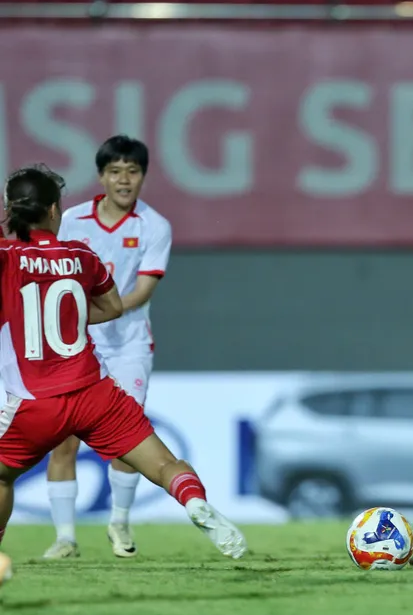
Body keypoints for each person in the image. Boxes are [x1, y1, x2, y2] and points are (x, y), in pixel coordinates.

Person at [0, 165, 245, 590]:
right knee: (165, 464)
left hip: (33, 400)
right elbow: (113, 308)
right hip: (94, 391)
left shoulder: (5, 257)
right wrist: (71, 319)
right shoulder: (82, 256)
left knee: (1, 476)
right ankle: (195, 501)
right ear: (55, 211)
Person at [43, 135, 172, 560]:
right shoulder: (72, 221)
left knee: (126, 439)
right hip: (73, 346)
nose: (124, 180)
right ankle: (65, 538)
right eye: (115, 171)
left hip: (128, 346)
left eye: (132, 171)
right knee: (64, 442)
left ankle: (119, 522)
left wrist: (89, 313)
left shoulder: (154, 226)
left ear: (143, 177)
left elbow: (141, 292)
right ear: (101, 176)